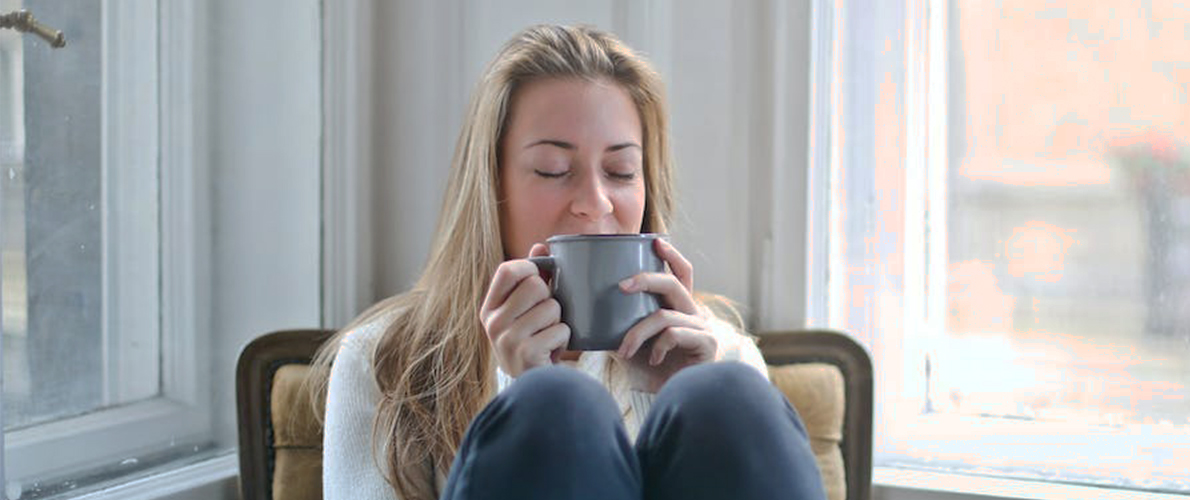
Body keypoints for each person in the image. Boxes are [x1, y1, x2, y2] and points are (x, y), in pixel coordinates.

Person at [310, 24, 826, 500]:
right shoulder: (384, 361)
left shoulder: (721, 355)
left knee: (726, 394)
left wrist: (668, 396)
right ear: (491, 187)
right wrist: (522, 391)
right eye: (553, 170)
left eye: (621, 171)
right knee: (557, 405)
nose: (596, 203)